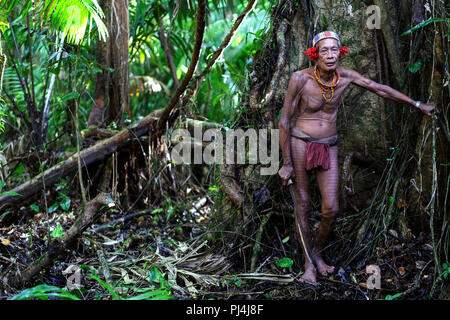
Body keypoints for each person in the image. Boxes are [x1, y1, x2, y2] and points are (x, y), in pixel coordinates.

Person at [278, 31, 438, 284]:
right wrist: (286, 163)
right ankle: (309, 265)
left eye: (334, 50)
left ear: (340, 53)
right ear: (314, 54)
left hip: (328, 144)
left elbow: (379, 89)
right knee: (304, 204)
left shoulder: (346, 76)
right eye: (324, 51)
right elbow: (285, 120)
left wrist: (417, 104)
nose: (330, 55)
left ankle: (317, 252)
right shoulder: (300, 79)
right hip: (300, 142)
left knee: (331, 208)